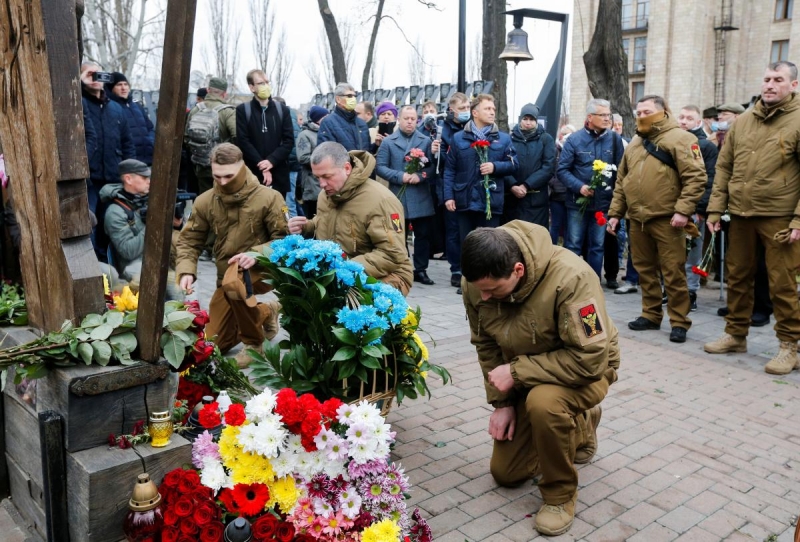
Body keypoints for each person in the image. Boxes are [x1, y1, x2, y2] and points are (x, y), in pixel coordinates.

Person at [461, 222, 619, 537]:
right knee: (506, 474)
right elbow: (486, 345)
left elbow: (590, 358)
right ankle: (582, 425)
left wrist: (517, 373)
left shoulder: (575, 279)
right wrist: (502, 402)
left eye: (492, 289)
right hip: (529, 373)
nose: (484, 296)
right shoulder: (478, 283)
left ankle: (560, 494)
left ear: (518, 270)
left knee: (544, 403)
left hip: (586, 370)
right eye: (479, 289)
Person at [704, 61, 800, 375]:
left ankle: (789, 346)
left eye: (778, 80)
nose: (770, 85)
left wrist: (798, 220)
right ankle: (735, 334)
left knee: (782, 283)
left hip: (780, 216)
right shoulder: (743, 122)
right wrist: (716, 208)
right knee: (738, 276)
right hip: (741, 214)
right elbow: (724, 168)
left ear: (793, 85)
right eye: (767, 79)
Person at [176, 143, 288, 367]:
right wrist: (186, 270)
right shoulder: (205, 201)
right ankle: (265, 311)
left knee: (234, 282)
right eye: (217, 176)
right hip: (225, 278)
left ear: (242, 167)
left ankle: (254, 343)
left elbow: (285, 241)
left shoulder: (269, 197)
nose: (223, 182)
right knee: (213, 344)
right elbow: (189, 239)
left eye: (229, 176)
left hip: (262, 270)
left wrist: (257, 254)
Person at [607, 95, 707, 344]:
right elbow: (622, 181)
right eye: (638, 112)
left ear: (663, 112)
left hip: (668, 219)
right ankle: (650, 315)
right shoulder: (635, 143)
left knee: (673, 272)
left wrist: (683, 211)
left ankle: (679, 321)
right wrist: (615, 214)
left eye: (646, 112)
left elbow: (695, 177)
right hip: (637, 219)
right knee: (644, 270)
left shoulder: (682, 138)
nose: (641, 116)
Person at [287, 142, 413, 295]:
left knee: (347, 308)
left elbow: (392, 254)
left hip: (388, 274)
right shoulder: (326, 195)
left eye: (327, 176)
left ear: (347, 168)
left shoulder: (381, 201)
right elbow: (328, 222)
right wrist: (307, 227)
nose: (321, 184)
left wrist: (345, 268)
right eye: (317, 177)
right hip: (339, 272)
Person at [557, 99, 624, 283]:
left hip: (603, 204)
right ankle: (569, 281)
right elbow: (562, 170)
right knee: (573, 244)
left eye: (608, 115)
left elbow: (621, 171)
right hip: (577, 203)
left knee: (597, 246)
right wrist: (580, 186)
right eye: (602, 115)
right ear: (589, 117)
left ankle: (593, 282)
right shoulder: (575, 139)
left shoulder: (614, 139)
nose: (607, 119)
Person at [100, 159, 183, 298]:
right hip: (135, 265)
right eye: (144, 178)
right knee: (174, 287)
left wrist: (177, 224)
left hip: (163, 260)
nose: (149, 181)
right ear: (128, 179)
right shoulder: (115, 211)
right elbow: (128, 251)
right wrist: (154, 223)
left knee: (185, 282)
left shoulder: (151, 199)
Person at [376, 105, 439, 286]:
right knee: (398, 234)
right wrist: (400, 176)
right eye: (406, 118)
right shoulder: (389, 142)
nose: (410, 122)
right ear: (399, 120)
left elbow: (432, 168)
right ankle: (401, 267)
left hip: (420, 195)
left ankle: (420, 269)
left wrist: (420, 176)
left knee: (422, 235)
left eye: (413, 119)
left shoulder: (425, 141)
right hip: (397, 196)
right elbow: (380, 167)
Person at [443, 94, 517, 242]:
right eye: (487, 109)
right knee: (467, 245)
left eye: (493, 109)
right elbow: (450, 170)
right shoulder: (458, 138)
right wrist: (449, 196)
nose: (492, 112)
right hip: (465, 200)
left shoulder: (503, 139)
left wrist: (494, 167)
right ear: (475, 113)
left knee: (489, 247)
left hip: (491, 201)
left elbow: (514, 164)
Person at [80, 62, 136, 217]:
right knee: (89, 224)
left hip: (113, 179)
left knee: (111, 225)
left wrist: (129, 173)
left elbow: (127, 143)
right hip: (89, 180)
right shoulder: (77, 104)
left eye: (99, 74)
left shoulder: (116, 108)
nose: (95, 78)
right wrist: (80, 82)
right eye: (90, 74)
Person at [677, 104, 718, 312]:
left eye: (689, 118)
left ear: (698, 122)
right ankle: (672, 290)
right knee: (672, 253)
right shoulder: (672, 142)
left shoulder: (706, 146)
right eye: (681, 117)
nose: (684, 121)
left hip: (695, 210)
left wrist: (699, 209)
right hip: (672, 208)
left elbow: (709, 180)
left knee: (693, 251)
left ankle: (691, 291)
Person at [235, 69, 295, 198]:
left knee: (280, 210)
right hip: (252, 173)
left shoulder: (282, 110)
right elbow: (243, 141)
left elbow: (288, 141)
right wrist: (262, 165)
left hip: (278, 172)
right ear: (252, 87)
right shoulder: (243, 110)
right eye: (261, 83)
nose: (266, 86)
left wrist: (271, 161)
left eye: (267, 82)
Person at [505, 104, 555, 228]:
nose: (528, 123)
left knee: (535, 237)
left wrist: (526, 185)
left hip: (536, 200)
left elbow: (548, 167)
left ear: (537, 121)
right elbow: (504, 164)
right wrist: (512, 185)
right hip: (512, 199)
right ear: (520, 119)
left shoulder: (546, 139)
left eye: (532, 119)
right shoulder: (509, 139)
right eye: (525, 119)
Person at [440, 92, 471, 292]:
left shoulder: (472, 127)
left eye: (468, 107)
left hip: (468, 183)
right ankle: (456, 269)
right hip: (450, 183)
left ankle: (468, 268)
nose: (466, 112)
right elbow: (444, 160)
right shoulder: (443, 130)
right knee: (453, 231)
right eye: (462, 108)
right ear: (452, 110)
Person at [185, 76, 237, 194]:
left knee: (205, 201)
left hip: (200, 167)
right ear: (224, 94)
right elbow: (237, 136)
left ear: (208, 90)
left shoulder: (196, 110)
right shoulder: (228, 111)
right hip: (223, 169)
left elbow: (186, 137)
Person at [106, 72, 156, 166]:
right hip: (128, 161)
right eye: (119, 85)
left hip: (148, 159)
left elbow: (150, 128)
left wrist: (150, 141)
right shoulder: (110, 107)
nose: (123, 88)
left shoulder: (137, 106)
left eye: (125, 84)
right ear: (111, 88)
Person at [317, 83, 371, 152]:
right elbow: (325, 153)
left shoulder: (362, 123)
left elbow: (367, 151)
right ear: (338, 99)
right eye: (349, 96)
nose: (353, 99)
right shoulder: (328, 123)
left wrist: (376, 145)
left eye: (354, 96)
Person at [297, 106, 328, 219]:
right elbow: (302, 157)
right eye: (325, 117)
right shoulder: (305, 135)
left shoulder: (327, 131)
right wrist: (325, 161)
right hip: (312, 185)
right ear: (317, 119)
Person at [549, 125, 575, 246]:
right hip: (556, 195)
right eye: (564, 134)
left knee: (568, 227)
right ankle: (551, 250)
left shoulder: (574, 150)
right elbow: (549, 170)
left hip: (571, 194)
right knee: (555, 225)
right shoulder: (555, 150)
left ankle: (565, 252)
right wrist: (553, 184)